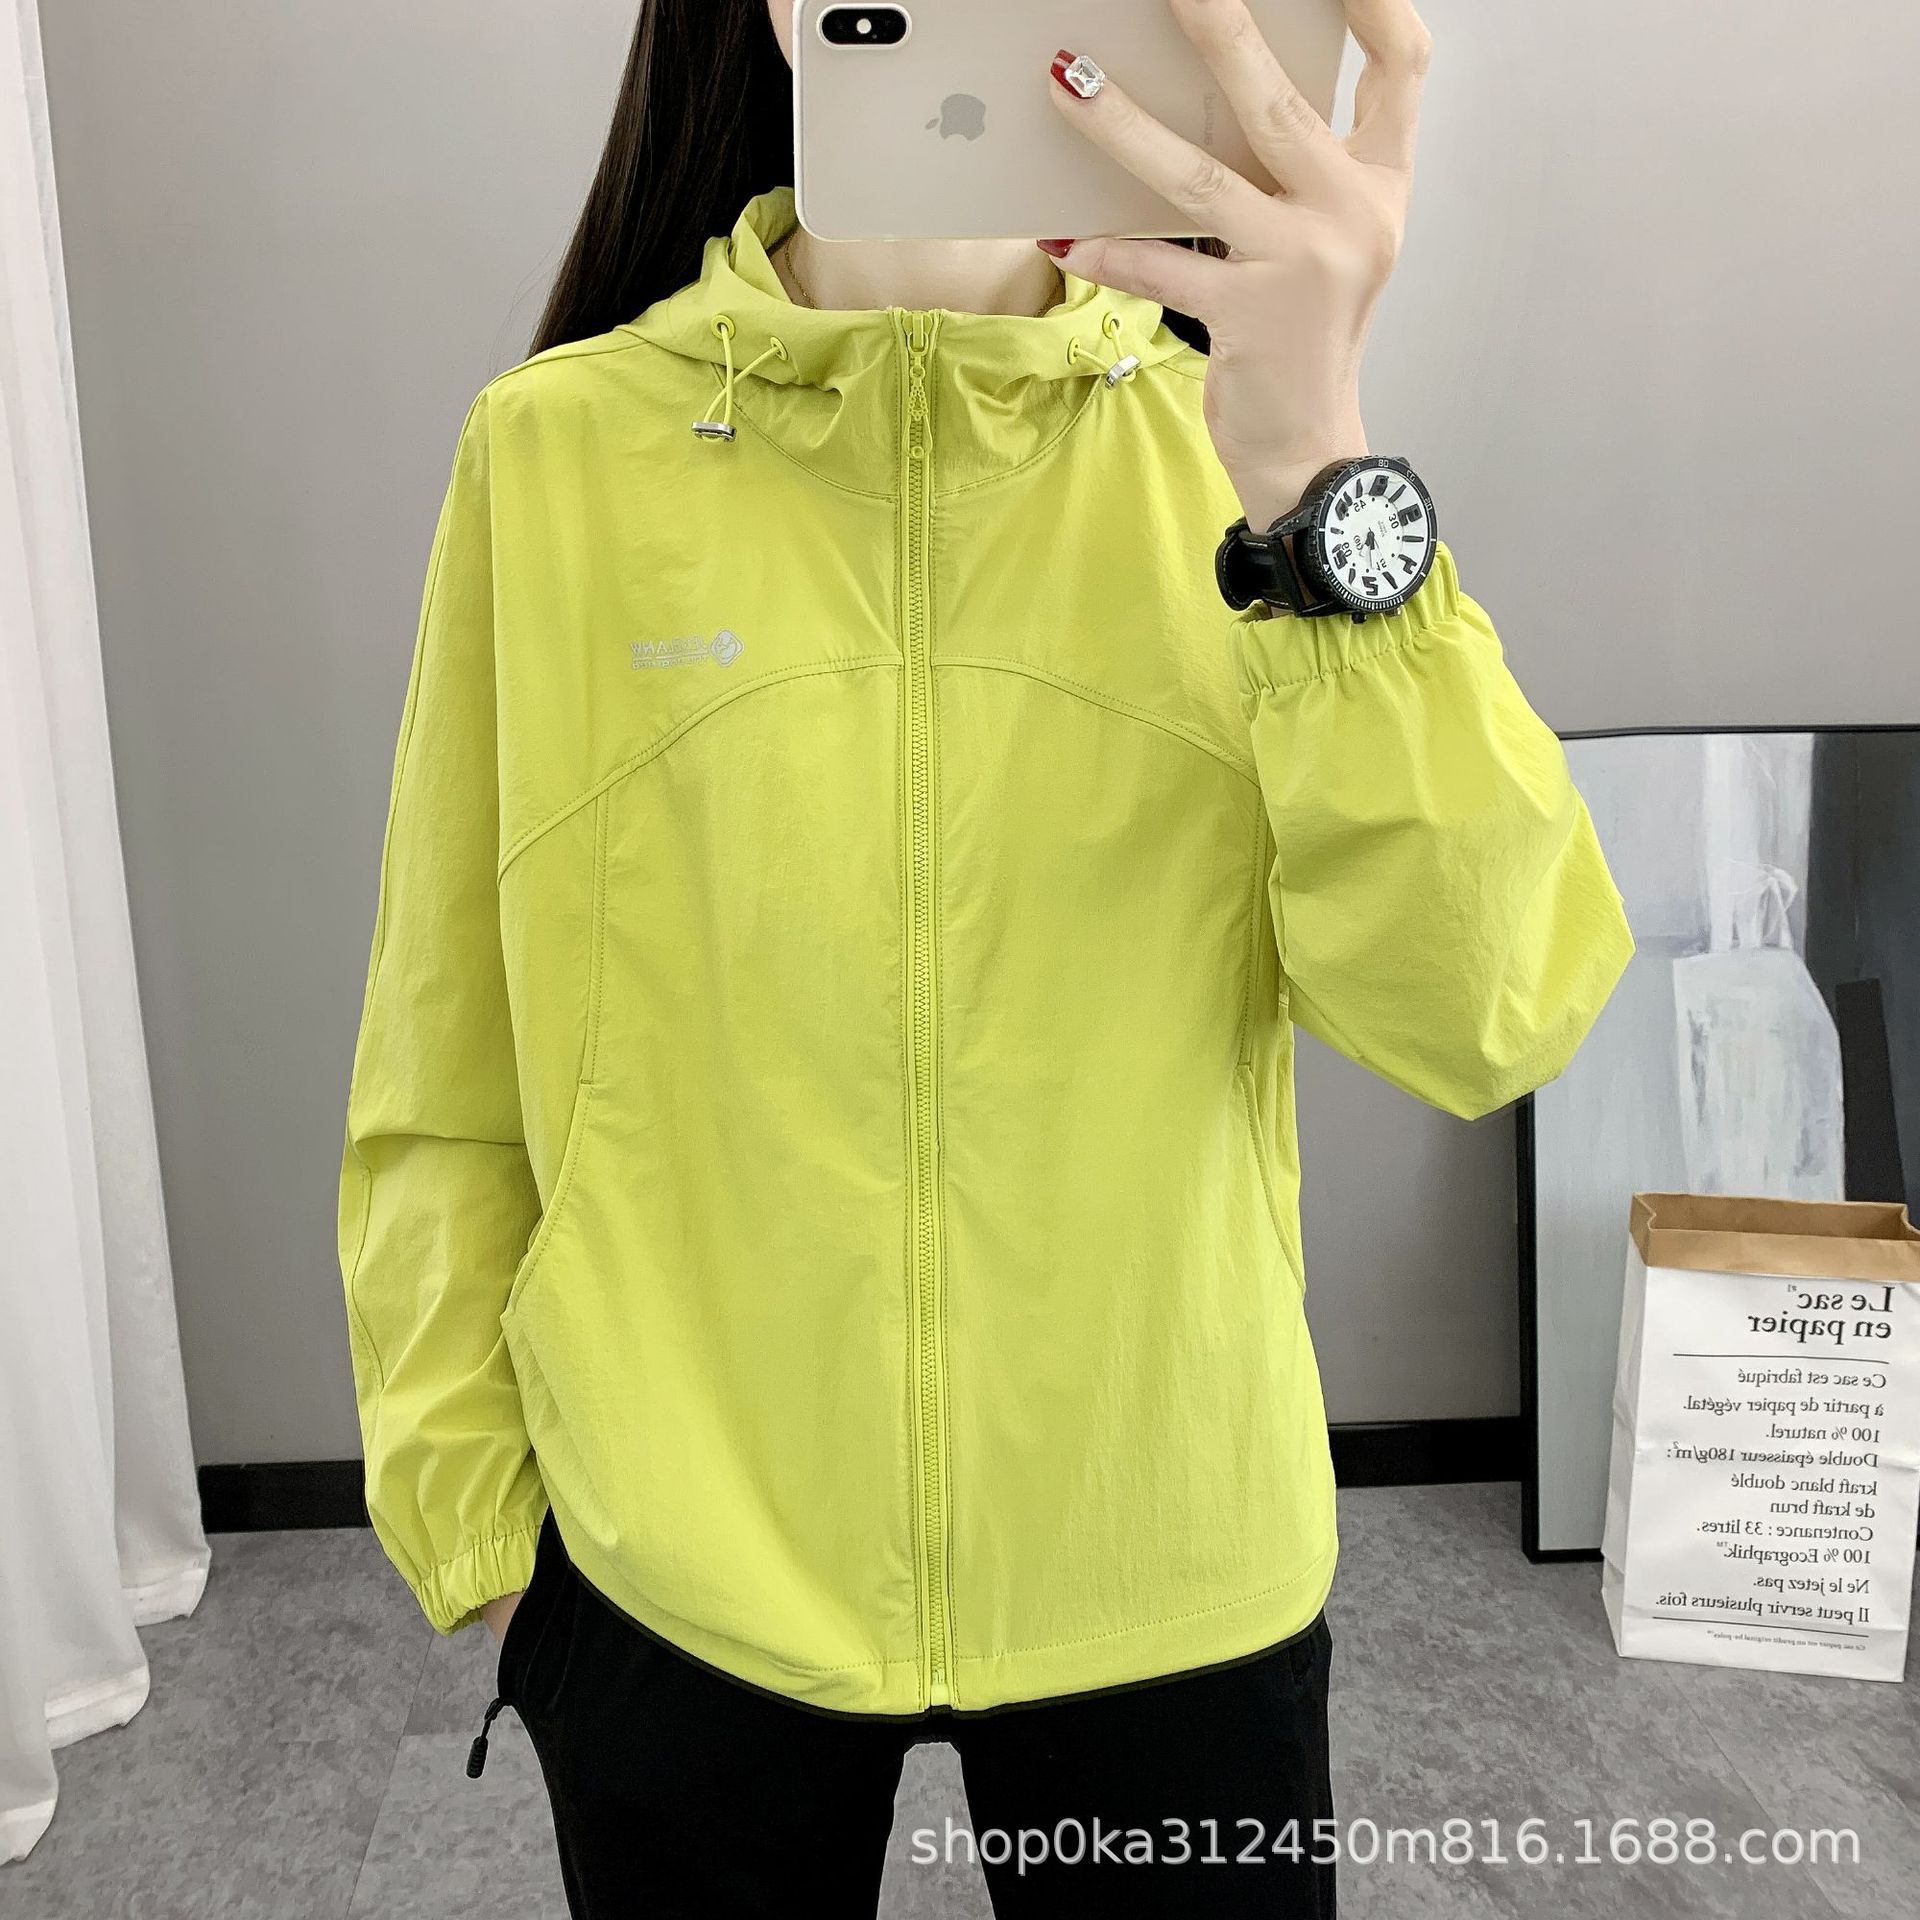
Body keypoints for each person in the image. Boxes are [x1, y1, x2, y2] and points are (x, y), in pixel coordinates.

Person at [335, 1, 1632, 1912]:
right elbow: (444, 1050)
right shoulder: (555, 455)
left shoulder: (1240, 460)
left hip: (1169, 1556)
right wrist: (490, 1535)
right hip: (681, 1580)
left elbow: (1487, 1015)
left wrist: (1314, 473)